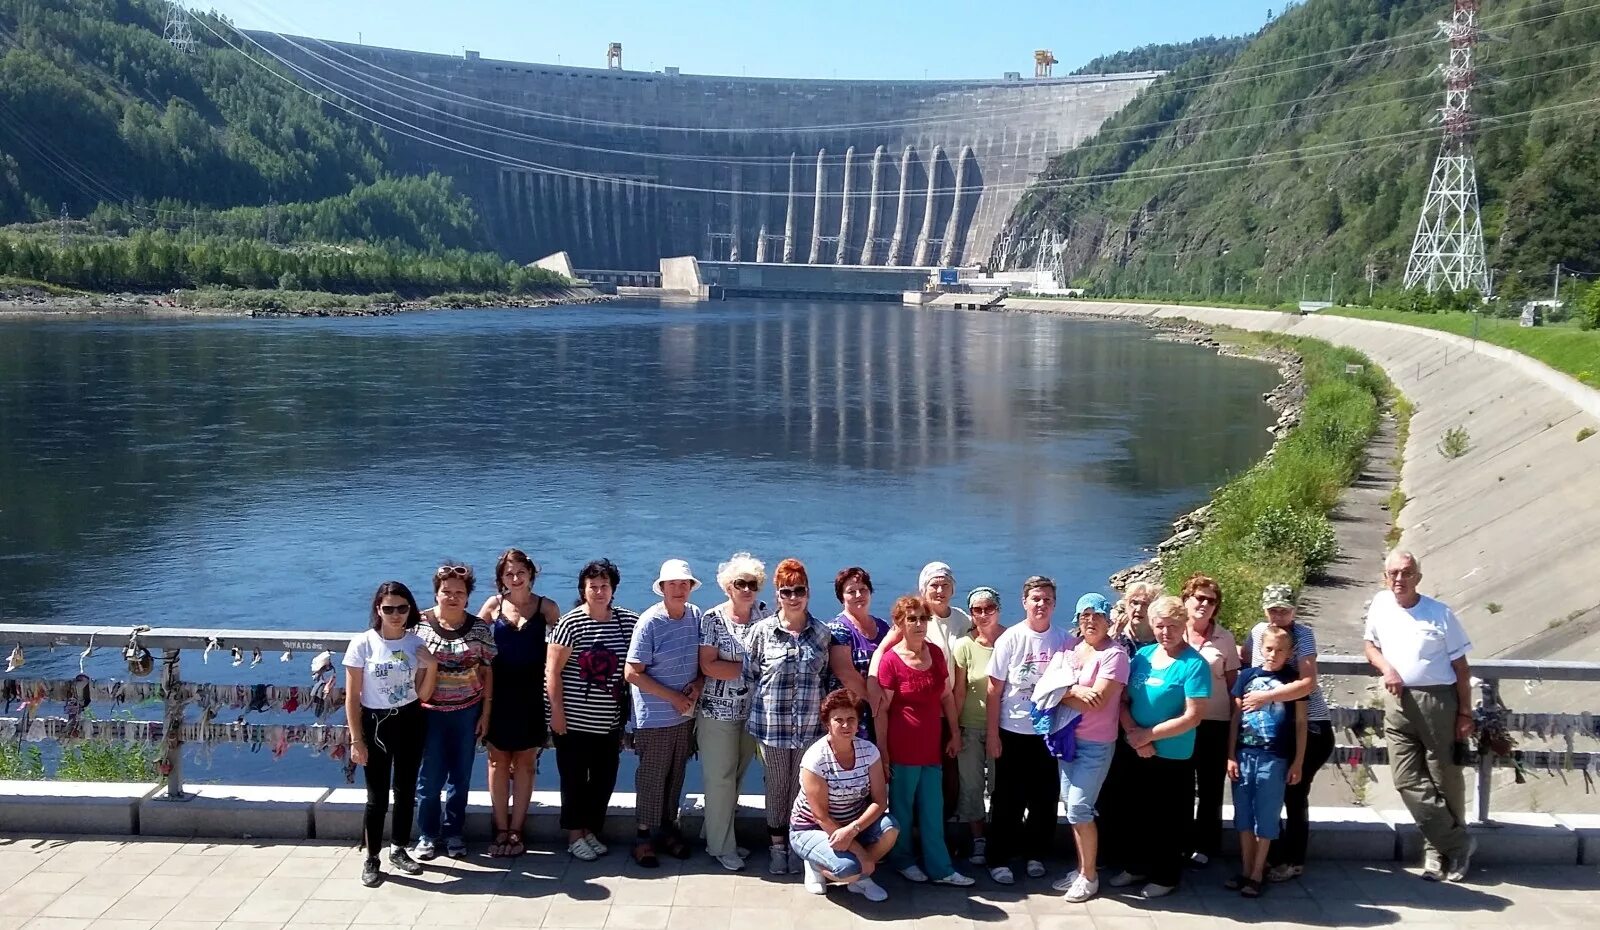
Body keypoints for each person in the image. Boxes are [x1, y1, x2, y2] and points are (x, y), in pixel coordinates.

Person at [1362, 549, 1475, 883]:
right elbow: (1369, 645)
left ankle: (1438, 853)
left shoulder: (1440, 614)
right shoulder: (1381, 604)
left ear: (1418, 578)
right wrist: (1387, 669)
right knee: (1406, 779)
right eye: (1394, 573)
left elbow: (1461, 667)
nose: (1400, 579)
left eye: (1407, 573)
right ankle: (1459, 843)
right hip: (1397, 700)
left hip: (1439, 700)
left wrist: (1465, 712)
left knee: (1445, 779)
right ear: (1385, 576)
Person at [1110, 594, 1209, 898]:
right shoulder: (1144, 656)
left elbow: (1193, 716)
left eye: (1173, 626)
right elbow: (1123, 700)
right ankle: (1136, 865)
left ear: (1184, 625)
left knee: (1168, 818)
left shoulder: (1194, 664)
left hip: (1172, 754)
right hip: (1135, 747)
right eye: (1160, 626)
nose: (1166, 632)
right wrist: (1132, 733)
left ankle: (1165, 876)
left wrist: (1148, 735)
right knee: (1135, 812)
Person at [1239, 583, 1336, 883]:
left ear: (1294, 609)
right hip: (1269, 728)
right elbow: (1249, 668)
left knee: (1295, 793)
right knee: (1268, 795)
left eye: (1284, 609)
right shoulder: (1258, 633)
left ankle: (1293, 859)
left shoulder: (1303, 635)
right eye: (1272, 609)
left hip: (1309, 723)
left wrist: (1266, 698)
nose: (1278, 615)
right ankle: (1266, 859)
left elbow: (1308, 683)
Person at [344, 582, 438, 887]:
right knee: (377, 797)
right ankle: (372, 857)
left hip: (410, 719)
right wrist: (356, 740)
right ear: (378, 610)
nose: (396, 614)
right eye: (389, 609)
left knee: (406, 790)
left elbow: (423, 694)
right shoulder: (363, 644)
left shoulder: (415, 644)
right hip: (376, 724)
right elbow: (352, 696)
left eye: (402, 608)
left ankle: (398, 848)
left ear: (410, 610)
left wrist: (432, 666)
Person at [744, 558, 835, 875]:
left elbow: (825, 678)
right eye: (786, 591)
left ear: (808, 592)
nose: (793, 597)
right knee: (777, 788)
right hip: (773, 728)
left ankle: (801, 847)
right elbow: (751, 674)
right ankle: (777, 847)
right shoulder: (761, 632)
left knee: (804, 791)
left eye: (799, 590)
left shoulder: (822, 634)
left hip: (810, 728)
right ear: (778, 594)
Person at [877, 594, 974, 887]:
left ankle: (941, 868)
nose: (919, 624)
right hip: (903, 748)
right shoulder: (891, 661)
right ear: (900, 624)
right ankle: (903, 860)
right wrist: (883, 752)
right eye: (912, 619)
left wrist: (955, 733)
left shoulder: (934, 653)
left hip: (932, 747)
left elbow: (946, 696)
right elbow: (882, 711)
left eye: (923, 618)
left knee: (933, 810)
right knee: (903, 811)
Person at [983, 575, 1073, 885]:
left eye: (1047, 599)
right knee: (1007, 798)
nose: (1041, 604)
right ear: (1024, 602)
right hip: (1012, 731)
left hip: (1047, 733)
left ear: (1054, 604)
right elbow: (993, 691)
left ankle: (1036, 854)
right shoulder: (1010, 639)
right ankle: (999, 858)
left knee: (1044, 798)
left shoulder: (1063, 639)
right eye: (1036, 599)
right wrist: (993, 735)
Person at [547, 559, 639, 861]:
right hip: (573, 720)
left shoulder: (627, 621)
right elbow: (552, 672)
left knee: (604, 778)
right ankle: (574, 834)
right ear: (583, 590)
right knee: (574, 778)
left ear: (613, 589)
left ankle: (590, 830)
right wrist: (556, 712)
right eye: (593, 587)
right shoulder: (570, 623)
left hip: (610, 721)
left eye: (604, 586)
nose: (599, 592)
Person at [413, 562, 498, 861]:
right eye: (445, 591)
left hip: (467, 712)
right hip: (429, 712)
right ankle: (427, 834)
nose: (452, 597)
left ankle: (454, 833)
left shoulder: (478, 628)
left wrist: (486, 714)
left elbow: (488, 673)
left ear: (468, 596)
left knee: (460, 777)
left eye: (458, 593)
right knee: (430, 778)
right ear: (436, 593)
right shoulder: (418, 625)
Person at [476, 548, 557, 859]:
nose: (515, 578)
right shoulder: (492, 607)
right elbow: (469, 636)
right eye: (508, 574)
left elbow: (565, 644)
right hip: (497, 695)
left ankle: (517, 829)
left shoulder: (547, 608)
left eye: (520, 572)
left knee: (525, 763)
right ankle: (499, 827)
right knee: (496, 762)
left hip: (532, 696)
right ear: (500, 579)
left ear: (531, 574)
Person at [624, 559, 706, 868]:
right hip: (656, 716)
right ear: (662, 588)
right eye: (672, 584)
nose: (679, 588)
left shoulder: (695, 616)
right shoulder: (650, 622)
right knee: (652, 777)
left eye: (684, 583)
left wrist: (698, 685)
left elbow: (702, 662)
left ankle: (670, 829)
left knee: (676, 776)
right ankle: (643, 838)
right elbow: (632, 672)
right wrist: (671, 696)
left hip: (684, 714)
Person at [1048, 593, 1128, 904]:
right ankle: (1082, 869)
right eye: (1084, 616)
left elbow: (1099, 699)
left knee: (1080, 807)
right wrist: (1074, 690)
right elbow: (1047, 692)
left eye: (1097, 616)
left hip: (1096, 743)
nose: (1090, 621)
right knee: (1071, 807)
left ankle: (1090, 877)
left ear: (1108, 621)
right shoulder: (1072, 648)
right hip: (1068, 739)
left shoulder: (1115, 656)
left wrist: (1064, 691)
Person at [789, 689, 900, 903]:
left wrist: (852, 830)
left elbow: (880, 801)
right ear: (827, 723)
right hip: (812, 828)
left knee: (891, 829)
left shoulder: (869, 751)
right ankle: (816, 864)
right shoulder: (815, 758)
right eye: (838, 720)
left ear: (859, 722)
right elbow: (821, 817)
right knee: (847, 868)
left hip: (852, 824)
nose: (846, 725)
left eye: (851, 719)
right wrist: (861, 852)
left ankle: (860, 879)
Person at [697, 552, 769, 871]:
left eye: (752, 584)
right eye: (740, 583)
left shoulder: (765, 614)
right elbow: (709, 665)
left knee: (737, 776)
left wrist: (741, 669)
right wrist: (749, 667)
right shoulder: (713, 618)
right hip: (717, 712)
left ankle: (720, 835)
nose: (747, 589)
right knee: (720, 779)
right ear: (728, 587)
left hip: (752, 712)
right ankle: (720, 846)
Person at [1225, 625, 1307, 898]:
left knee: (1267, 815)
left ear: (1289, 653)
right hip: (1245, 753)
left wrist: (1297, 762)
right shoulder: (1247, 676)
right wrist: (1230, 755)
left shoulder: (1292, 681)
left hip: (1274, 757)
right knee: (1244, 815)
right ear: (1261, 649)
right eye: (1269, 649)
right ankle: (1247, 869)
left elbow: (1300, 725)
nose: (1273, 655)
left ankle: (1259, 871)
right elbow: (1235, 718)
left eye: (1280, 650)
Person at [1182, 572, 1240, 868]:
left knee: (1210, 787)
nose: (1204, 604)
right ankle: (1177, 842)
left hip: (1214, 723)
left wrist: (1235, 731)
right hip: (1178, 722)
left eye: (1211, 600)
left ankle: (1206, 845)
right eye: (1199, 598)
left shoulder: (1225, 638)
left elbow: (1234, 688)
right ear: (1186, 599)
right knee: (1178, 786)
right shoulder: (1174, 632)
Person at [951, 586, 1002, 867]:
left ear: (998, 609)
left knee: (1000, 786)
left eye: (989, 608)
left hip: (1004, 728)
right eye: (977, 610)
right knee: (971, 787)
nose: (983, 615)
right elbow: (959, 691)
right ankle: (979, 841)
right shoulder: (964, 645)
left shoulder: (1010, 640)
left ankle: (1000, 838)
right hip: (970, 726)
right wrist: (954, 731)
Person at [826, 566, 888, 738]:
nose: (859, 595)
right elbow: (845, 673)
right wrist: (875, 700)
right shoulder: (837, 629)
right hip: (851, 713)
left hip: (880, 709)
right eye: (851, 591)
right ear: (841, 597)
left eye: (863, 589)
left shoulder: (883, 626)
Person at [1112, 581, 1159, 655]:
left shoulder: (1161, 635)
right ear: (1126, 604)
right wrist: (1112, 637)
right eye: (1134, 603)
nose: (1139, 609)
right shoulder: (1118, 634)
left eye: (1145, 604)